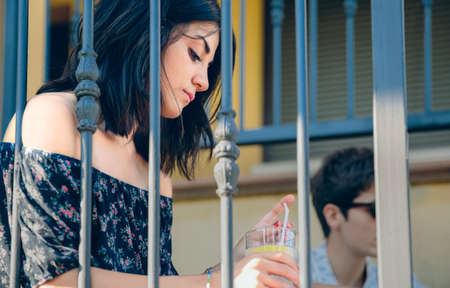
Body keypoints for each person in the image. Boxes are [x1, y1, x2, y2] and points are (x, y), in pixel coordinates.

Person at [0, 0, 304, 287]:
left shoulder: (153, 169)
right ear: (144, 35)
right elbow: (54, 280)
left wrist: (231, 264)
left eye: (210, 67)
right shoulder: (52, 117)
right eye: (196, 54)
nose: (204, 81)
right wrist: (218, 281)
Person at [310, 147, 426, 288]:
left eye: (391, 209)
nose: (387, 222)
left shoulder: (399, 280)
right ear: (333, 216)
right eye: (375, 209)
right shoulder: (290, 277)